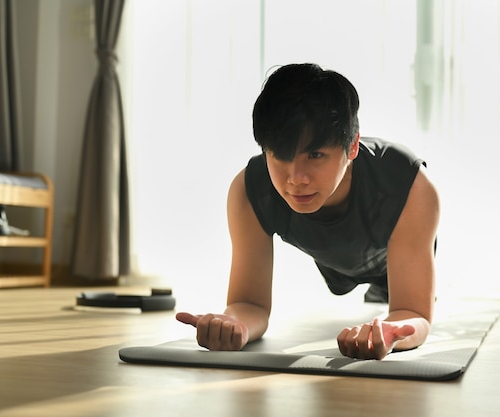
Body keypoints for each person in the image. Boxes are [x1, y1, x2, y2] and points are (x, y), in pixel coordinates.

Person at [176, 63, 439, 360]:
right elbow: (249, 303)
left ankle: (379, 291)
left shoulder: (408, 183)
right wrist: (234, 324)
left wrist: (390, 331)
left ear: (352, 147)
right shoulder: (250, 192)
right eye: (281, 155)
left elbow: (414, 312)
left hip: (390, 252)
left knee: (391, 296)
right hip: (336, 258)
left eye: (315, 155)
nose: (296, 178)